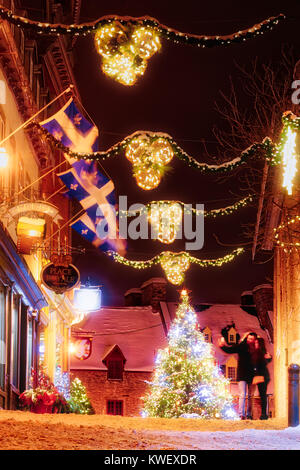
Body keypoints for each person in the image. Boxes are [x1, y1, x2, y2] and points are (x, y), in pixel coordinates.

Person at [218, 331, 257, 420]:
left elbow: (261, 359)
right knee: (242, 394)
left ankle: (249, 415)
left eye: (252, 339)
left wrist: (268, 358)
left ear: (254, 340)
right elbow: (231, 349)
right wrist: (222, 346)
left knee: (251, 395)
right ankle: (241, 414)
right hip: (242, 374)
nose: (250, 340)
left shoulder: (256, 348)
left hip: (252, 375)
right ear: (247, 338)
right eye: (249, 338)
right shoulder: (242, 346)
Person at [251, 336, 272, 420]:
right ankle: (264, 414)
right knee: (262, 395)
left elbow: (262, 363)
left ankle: (264, 414)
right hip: (263, 376)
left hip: (262, 376)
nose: (255, 344)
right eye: (255, 343)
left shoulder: (259, 352)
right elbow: (267, 360)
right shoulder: (260, 352)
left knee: (262, 395)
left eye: (257, 343)